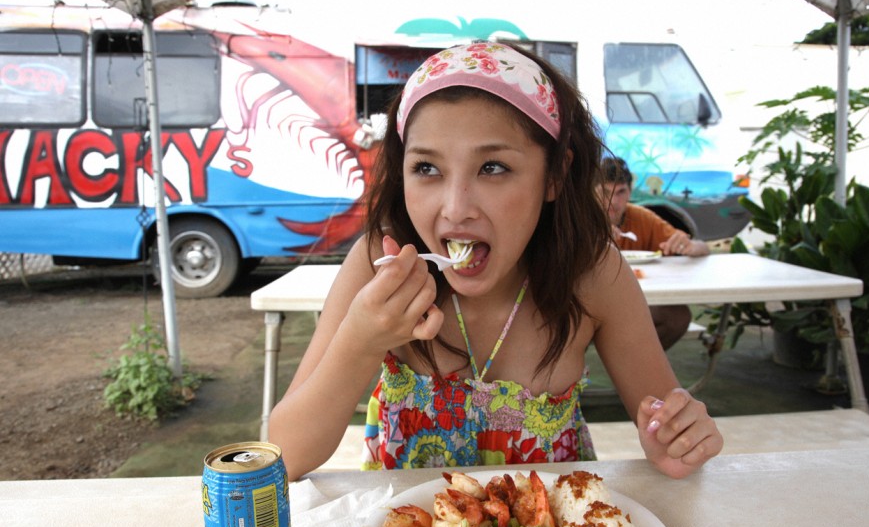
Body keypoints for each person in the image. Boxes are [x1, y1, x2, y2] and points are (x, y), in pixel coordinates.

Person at [268, 42, 722, 480]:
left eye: (492, 168)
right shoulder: (380, 264)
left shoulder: (593, 273)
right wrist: (361, 340)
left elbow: (669, 426)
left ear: (555, 175)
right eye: (426, 168)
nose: (455, 208)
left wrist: (677, 441)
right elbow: (285, 456)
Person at [599, 158, 710, 350]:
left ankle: (633, 366)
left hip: (633, 303)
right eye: (605, 192)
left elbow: (702, 247)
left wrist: (692, 246)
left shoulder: (641, 217)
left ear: (630, 192)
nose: (613, 202)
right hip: (589, 303)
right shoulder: (578, 220)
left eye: (620, 192)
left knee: (678, 317)